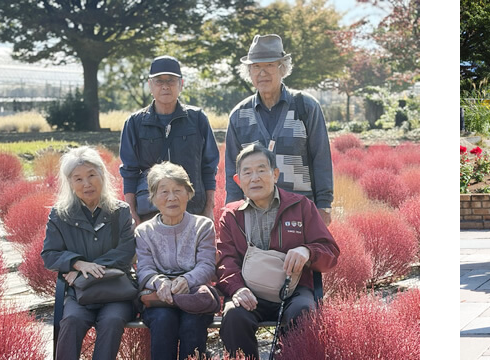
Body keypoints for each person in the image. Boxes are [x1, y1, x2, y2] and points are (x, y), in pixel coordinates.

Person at [216, 144, 340, 358]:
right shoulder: (231, 215)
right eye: (247, 172)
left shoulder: (301, 206)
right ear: (238, 180)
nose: (254, 177)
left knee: (303, 313)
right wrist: (236, 289)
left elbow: (330, 252)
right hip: (249, 290)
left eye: (261, 170)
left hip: (294, 290)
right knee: (234, 316)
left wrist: (307, 251)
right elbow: (225, 260)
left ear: (275, 174)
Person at [225, 34, 333, 226]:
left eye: (269, 65)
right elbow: (233, 171)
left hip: (301, 209)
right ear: (249, 72)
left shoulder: (306, 107)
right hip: (254, 213)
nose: (262, 73)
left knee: (300, 256)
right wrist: (232, 211)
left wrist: (324, 205)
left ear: (282, 68)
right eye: (256, 67)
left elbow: (321, 158)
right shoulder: (239, 115)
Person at [41, 146, 136, 360]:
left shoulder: (119, 211)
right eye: (78, 179)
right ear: (70, 183)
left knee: (112, 322)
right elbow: (49, 254)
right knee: (71, 321)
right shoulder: (59, 215)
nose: (87, 183)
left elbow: (126, 251)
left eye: (92, 175)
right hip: (80, 294)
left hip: (115, 292)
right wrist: (77, 264)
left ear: (102, 175)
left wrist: (87, 271)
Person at [119, 55, 220, 226]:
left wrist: (209, 208)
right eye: (159, 81)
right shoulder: (135, 123)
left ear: (181, 84)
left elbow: (209, 168)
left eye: (171, 81)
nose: (165, 86)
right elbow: (129, 171)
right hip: (150, 213)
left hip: (193, 210)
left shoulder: (197, 119)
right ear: (150, 85)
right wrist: (132, 211)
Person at [135, 162, 218, 360]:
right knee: (163, 320)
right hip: (159, 299)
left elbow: (207, 265)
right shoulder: (144, 231)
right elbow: (144, 269)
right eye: (164, 191)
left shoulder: (203, 226)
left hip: (193, 295)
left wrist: (187, 280)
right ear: (153, 198)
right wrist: (160, 282)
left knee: (192, 323)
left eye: (178, 190)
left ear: (188, 193)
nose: (171, 197)